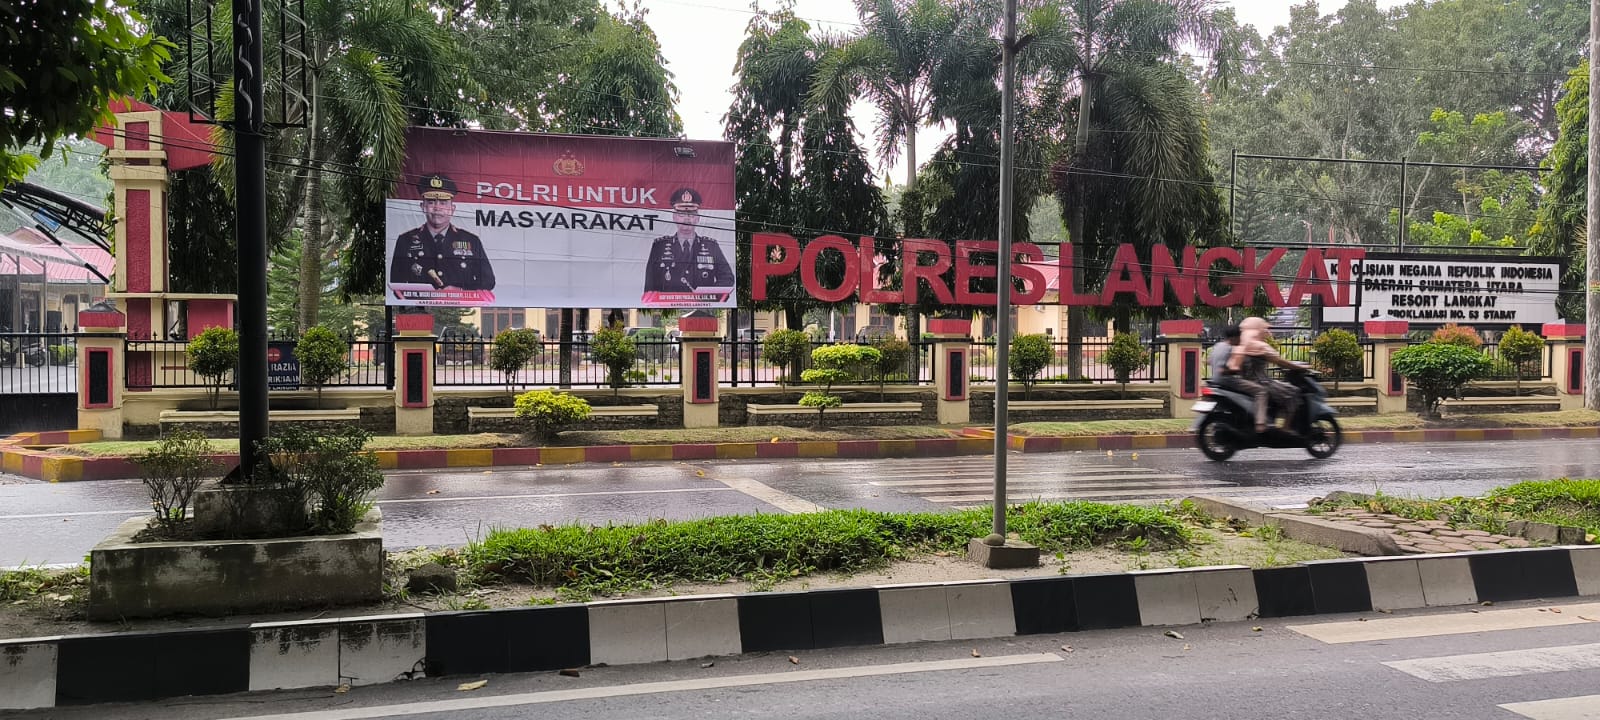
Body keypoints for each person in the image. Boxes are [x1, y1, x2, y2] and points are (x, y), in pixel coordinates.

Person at [390, 173, 495, 291]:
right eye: (431, 202)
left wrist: (459, 290)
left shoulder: (471, 241)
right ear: (422, 206)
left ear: (452, 209)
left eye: (443, 203)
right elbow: (396, 284)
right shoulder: (405, 240)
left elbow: (488, 282)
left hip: (461, 308)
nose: (437, 208)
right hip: (420, 308)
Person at [643, 187, 734, 293]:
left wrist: (707, 295)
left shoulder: (711, 246)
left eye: (691, 214)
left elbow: (727, 278)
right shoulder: (659, 246)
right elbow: (650, 286)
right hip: (668, 304)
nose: (686, 219)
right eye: (682, 214)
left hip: (703, 306)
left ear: (698, 218)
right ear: (674, 217)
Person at [1224, 316, 1303, 434]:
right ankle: (1285, 429)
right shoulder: (1260, 346)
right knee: (1293, 392)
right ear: (1258, 330)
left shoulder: (1240, 345)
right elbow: (1280, 361)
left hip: (1246, 381)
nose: (1267, 332)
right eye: (1265, 329)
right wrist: (1300, 367)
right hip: (1262, 382)